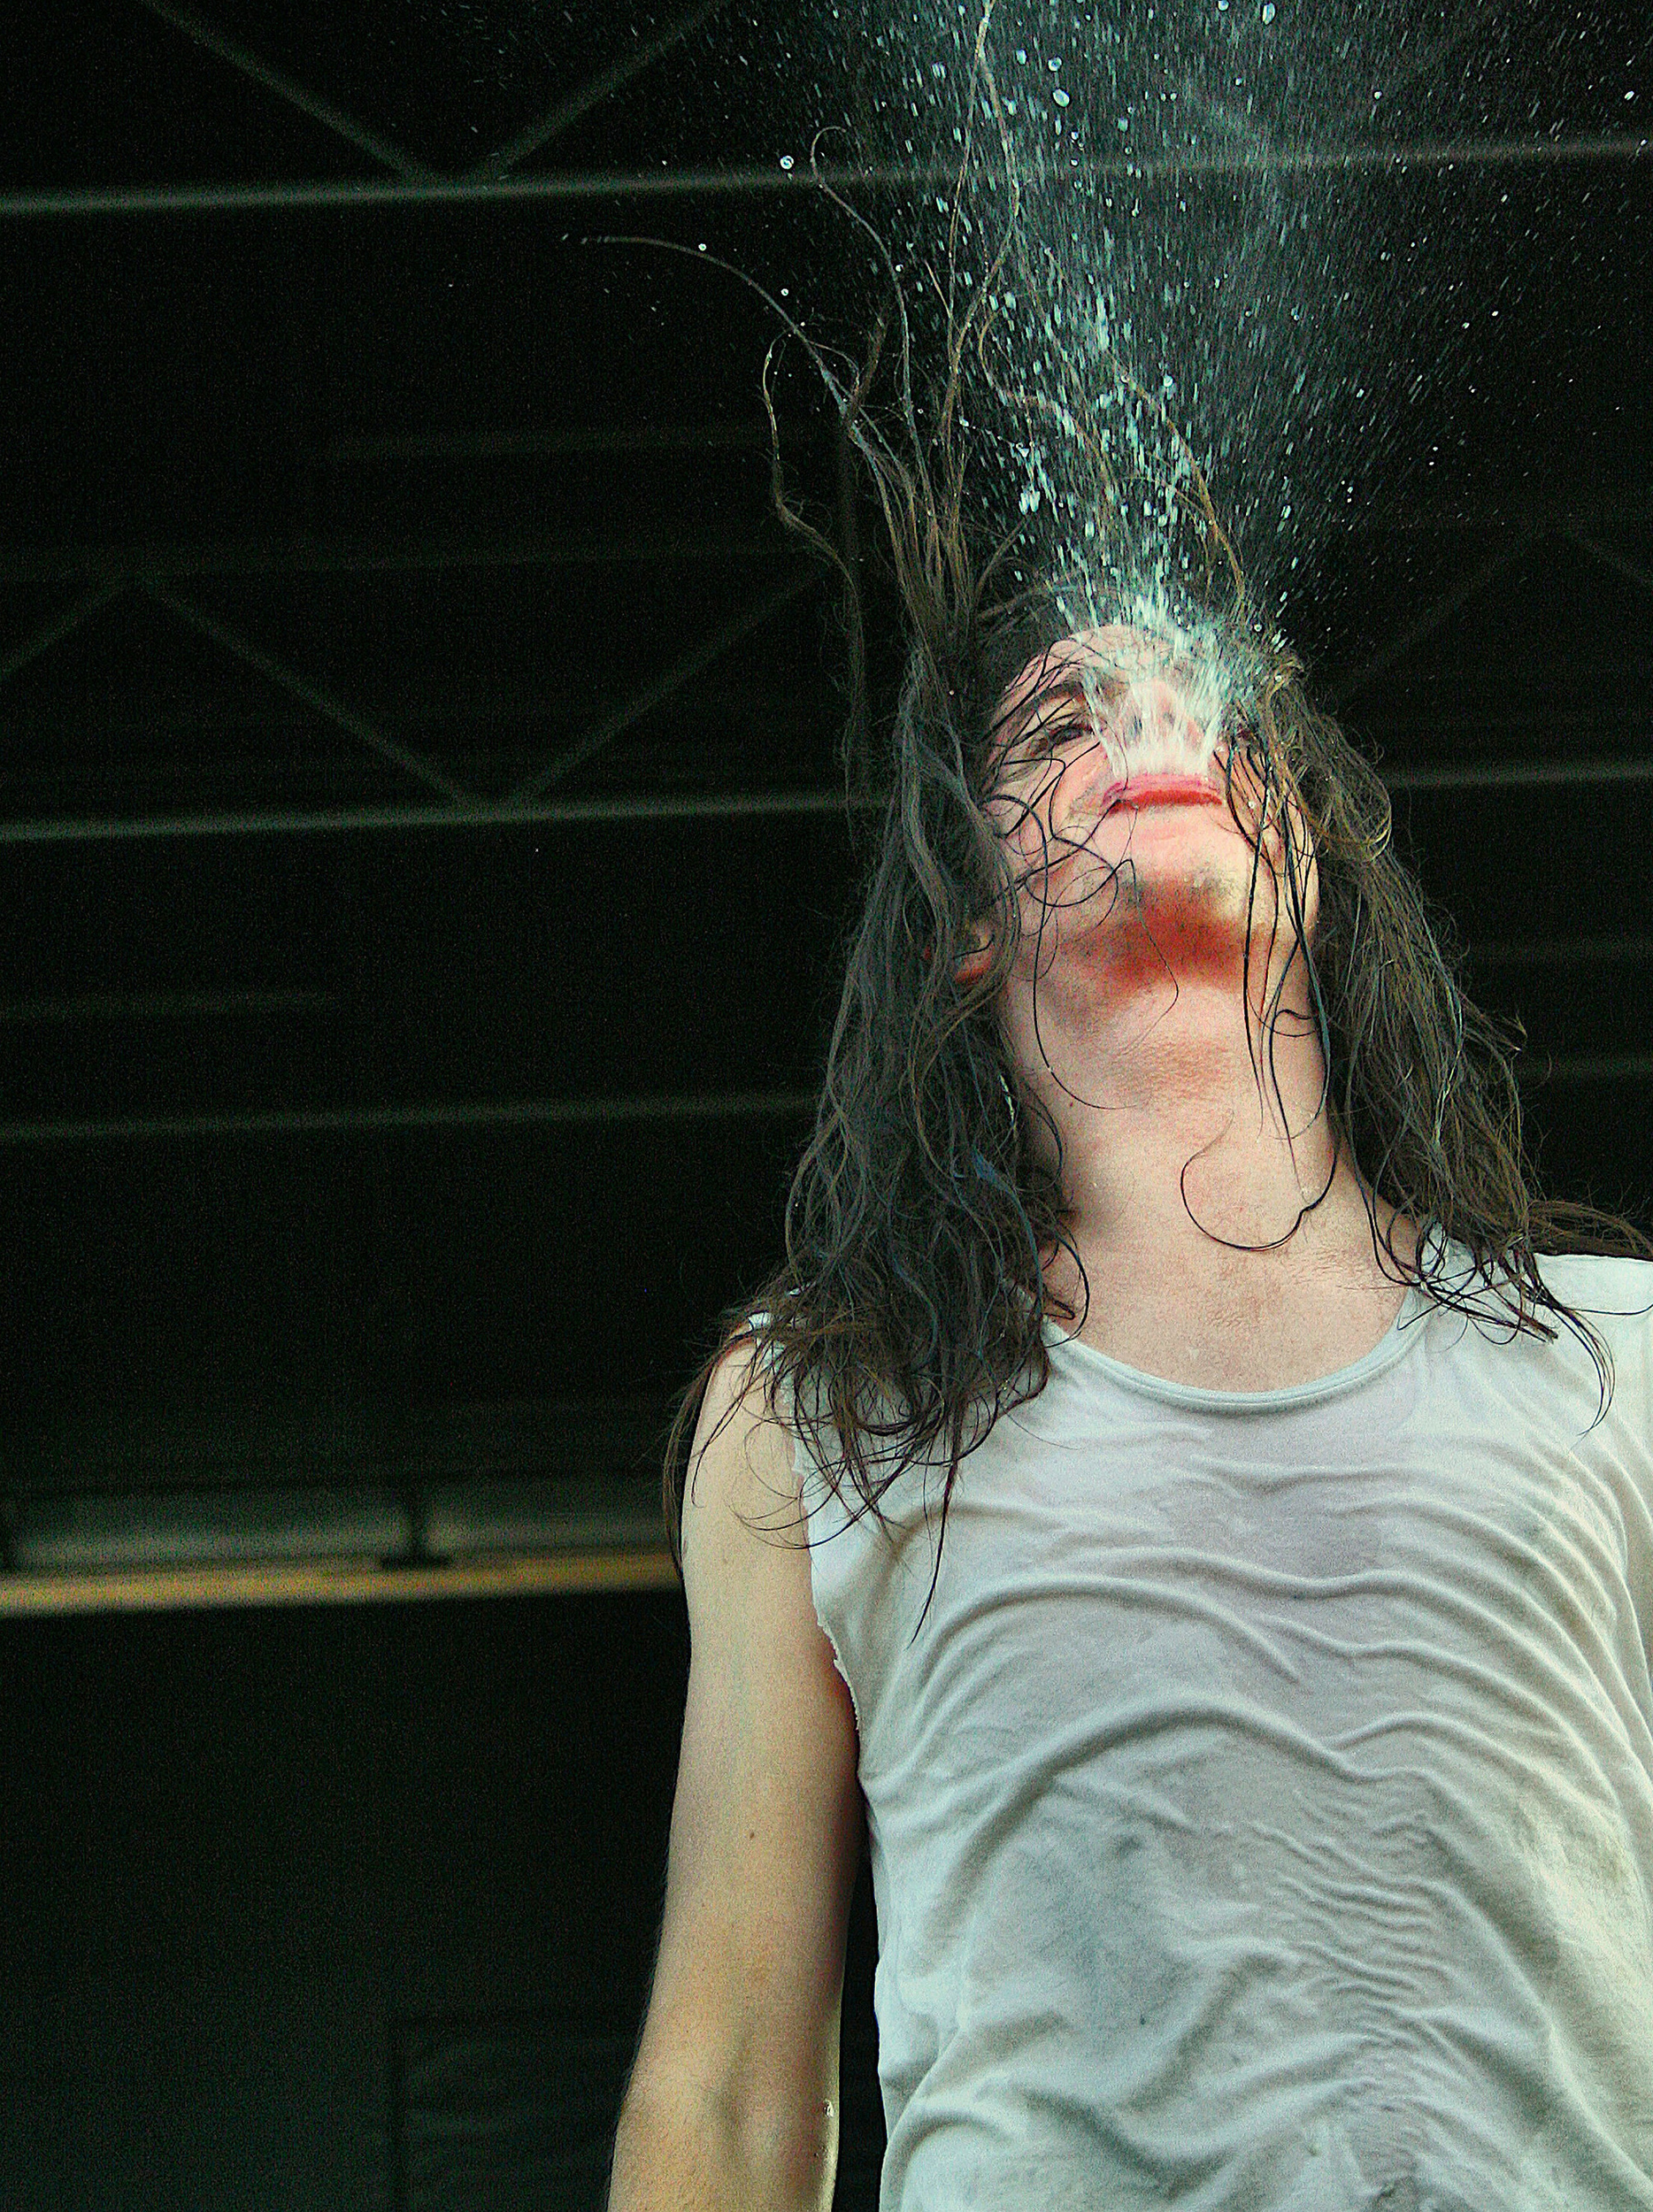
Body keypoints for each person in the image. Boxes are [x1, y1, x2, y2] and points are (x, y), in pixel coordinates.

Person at [604, 407, 1653, 2204]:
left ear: (1312, 865)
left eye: (1211, 714)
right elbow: (724, 2098)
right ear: (966, 915)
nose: (1154, 730)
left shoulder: (1618, 1352)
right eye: (1059, 726)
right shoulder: (822, 1407)